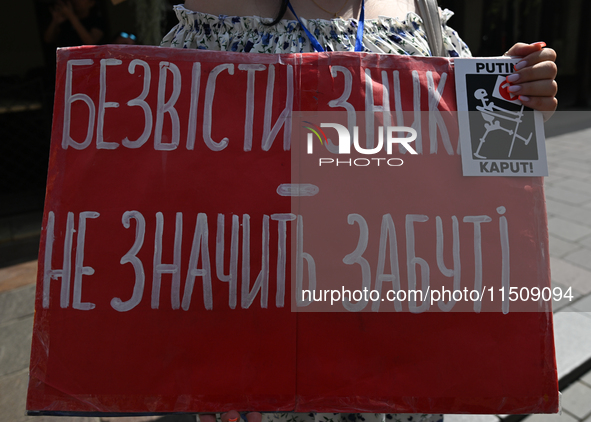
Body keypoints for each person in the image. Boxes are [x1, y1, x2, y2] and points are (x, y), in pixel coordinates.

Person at [160, 1, 559, 422]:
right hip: (273, 360)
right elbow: (178, 188)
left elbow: (480, 154)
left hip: (405, 351)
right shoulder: (217, 9)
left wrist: (523, 100)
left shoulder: (419, 10)